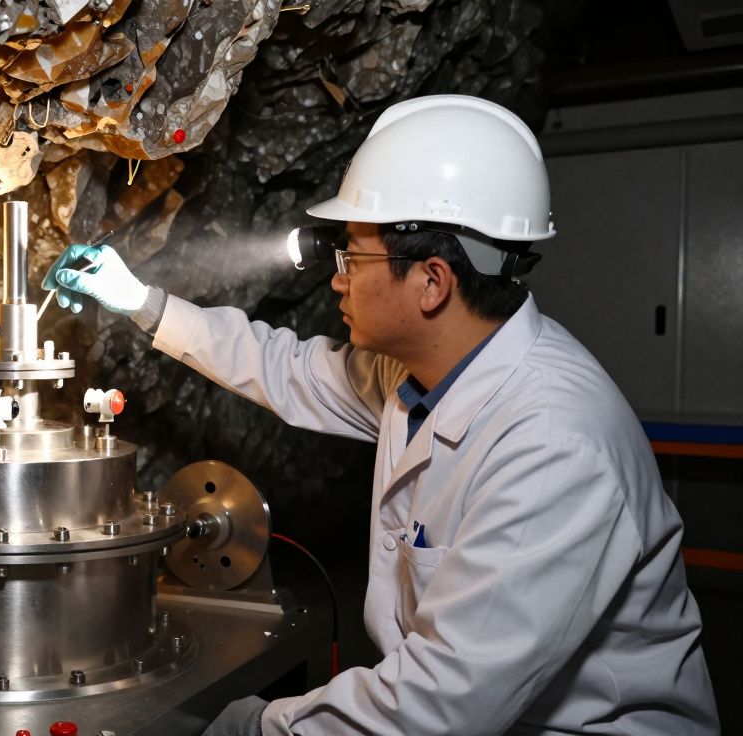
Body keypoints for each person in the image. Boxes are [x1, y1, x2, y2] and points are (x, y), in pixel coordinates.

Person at [43, 95, 719, 735]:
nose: (336, 278)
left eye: (352, 256)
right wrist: (140, 301)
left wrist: (259, 726)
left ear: (431, 281)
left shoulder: (553, 448)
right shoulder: (424, 375)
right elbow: (285, 367)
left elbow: (437, 707)